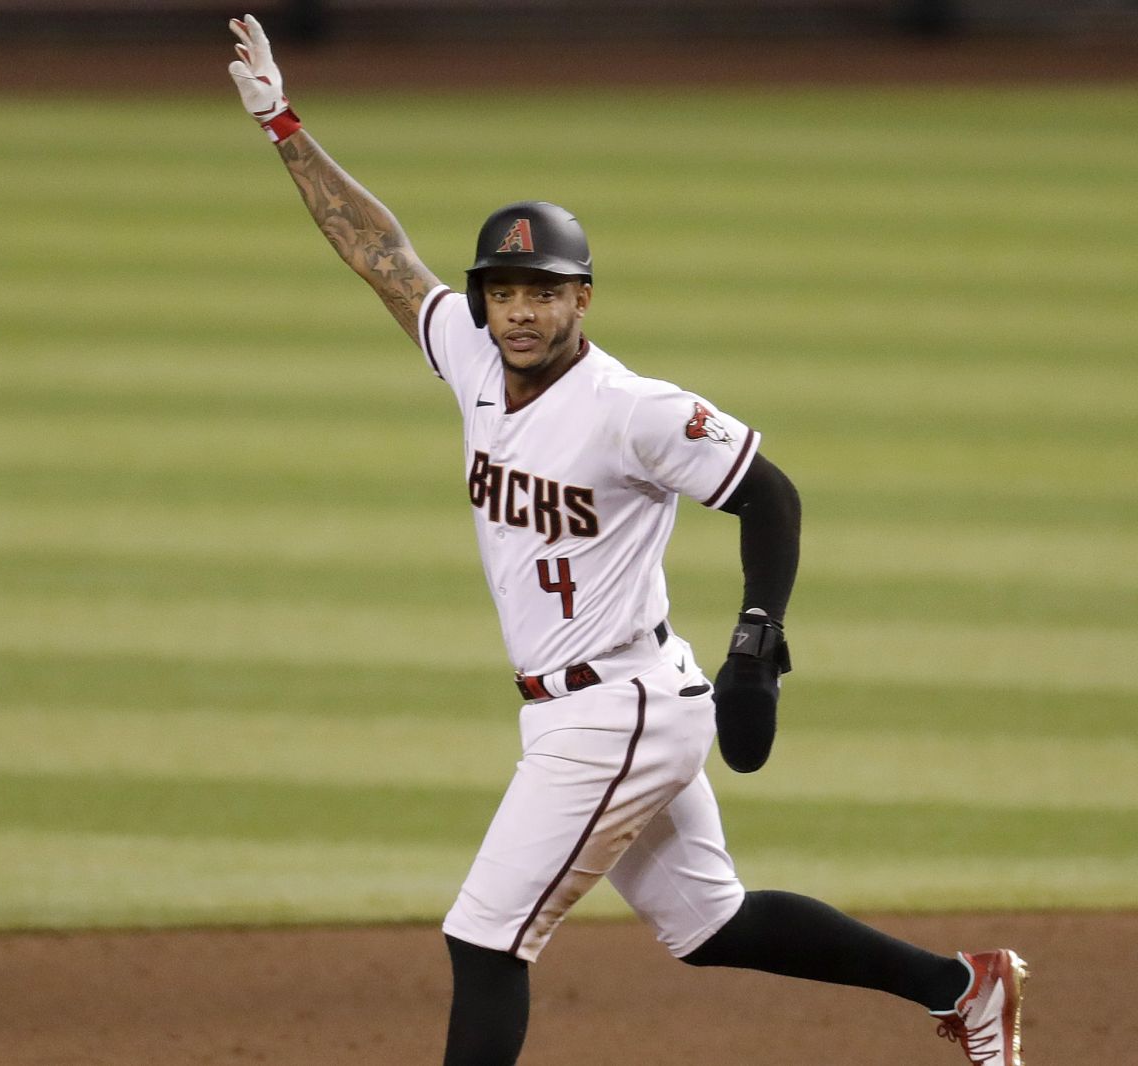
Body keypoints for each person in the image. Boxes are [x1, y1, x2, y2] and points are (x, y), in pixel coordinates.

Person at [224, 15, 1025, 1066]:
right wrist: (283, 124)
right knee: (710, 924)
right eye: (503, 292)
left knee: (483, 937)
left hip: (616, 713)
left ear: (581, 299)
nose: (518, 313)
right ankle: (965, 986)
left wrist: (756, 641)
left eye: (542, 293)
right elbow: (380, 252)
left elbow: (768, 496)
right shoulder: (466, 358)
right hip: (604, 699)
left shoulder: (631, 408)